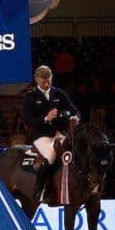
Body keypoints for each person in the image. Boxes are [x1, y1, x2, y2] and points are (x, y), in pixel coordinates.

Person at [23, 65, 81, 202]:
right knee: (50, 156)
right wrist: (45, 119)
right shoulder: (30, 96)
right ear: (36, 79)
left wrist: (76, 117)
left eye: (48, 80)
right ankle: (39, 190)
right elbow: (28, 120)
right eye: (43, 81)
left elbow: (75, 110)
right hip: (41, 136)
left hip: (59, 133)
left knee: (72, 150)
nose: (46, 84)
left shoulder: (59, 93)